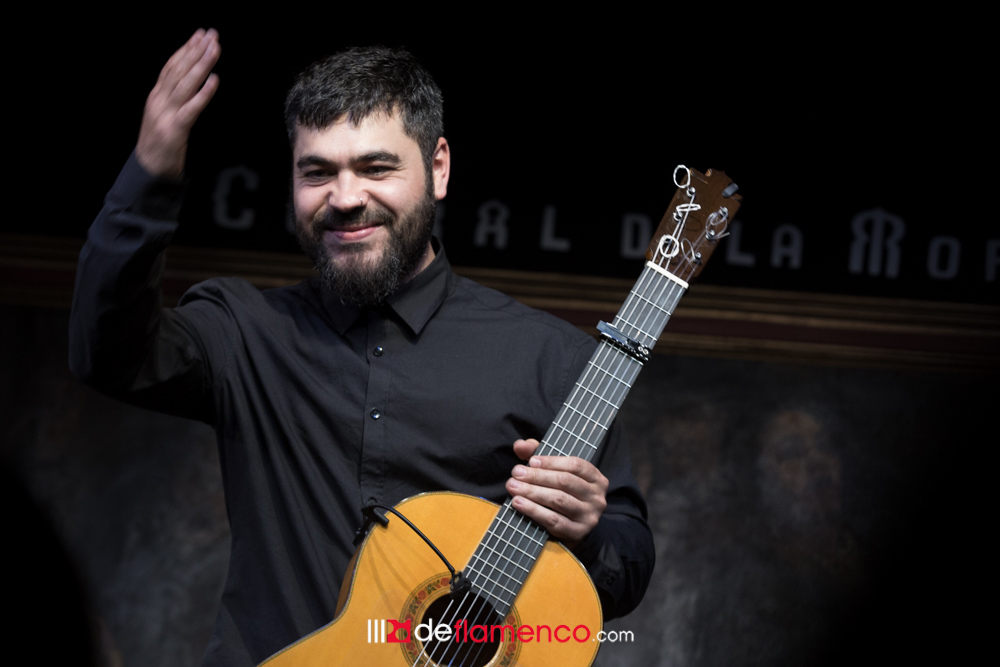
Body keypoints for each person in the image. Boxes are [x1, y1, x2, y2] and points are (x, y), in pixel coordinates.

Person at [70, 29, 653, 666]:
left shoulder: (550, 357)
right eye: (317, 172)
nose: (345, 199)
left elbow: (624, 573)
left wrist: (587, 533)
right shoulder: (241, 330)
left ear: (437, 168)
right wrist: (150, 177)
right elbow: (106, 353)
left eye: (376, 168)